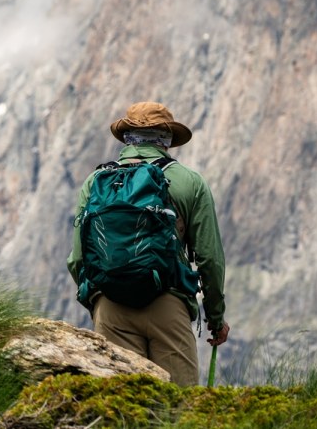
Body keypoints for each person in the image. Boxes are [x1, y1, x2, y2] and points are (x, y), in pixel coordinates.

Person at [68, 101, 229, 386]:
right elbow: (209, 258)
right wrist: (215, 317)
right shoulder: (189, 182)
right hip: (168, 304)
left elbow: (78, 259)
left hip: (111, 305)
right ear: (166, 139)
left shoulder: (96, 181)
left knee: (120, 406)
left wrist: (97, 302)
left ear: (127, 137)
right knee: (178, 407)